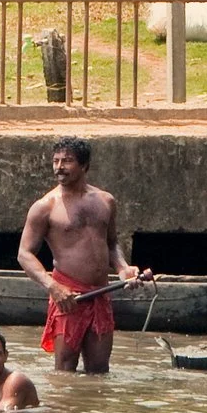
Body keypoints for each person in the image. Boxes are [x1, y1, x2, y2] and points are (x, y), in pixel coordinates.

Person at [17, 136, 147, 373]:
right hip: (68, 296)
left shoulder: (106, 201)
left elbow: (111, 244)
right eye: (55, 161)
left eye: (67, 161)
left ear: (84, 165)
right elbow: (24, 254)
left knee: (99, 370)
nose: (59, 167)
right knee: (64, 370)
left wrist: (122, 268)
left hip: (100, 293)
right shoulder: (45, 206)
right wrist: (53, 286)